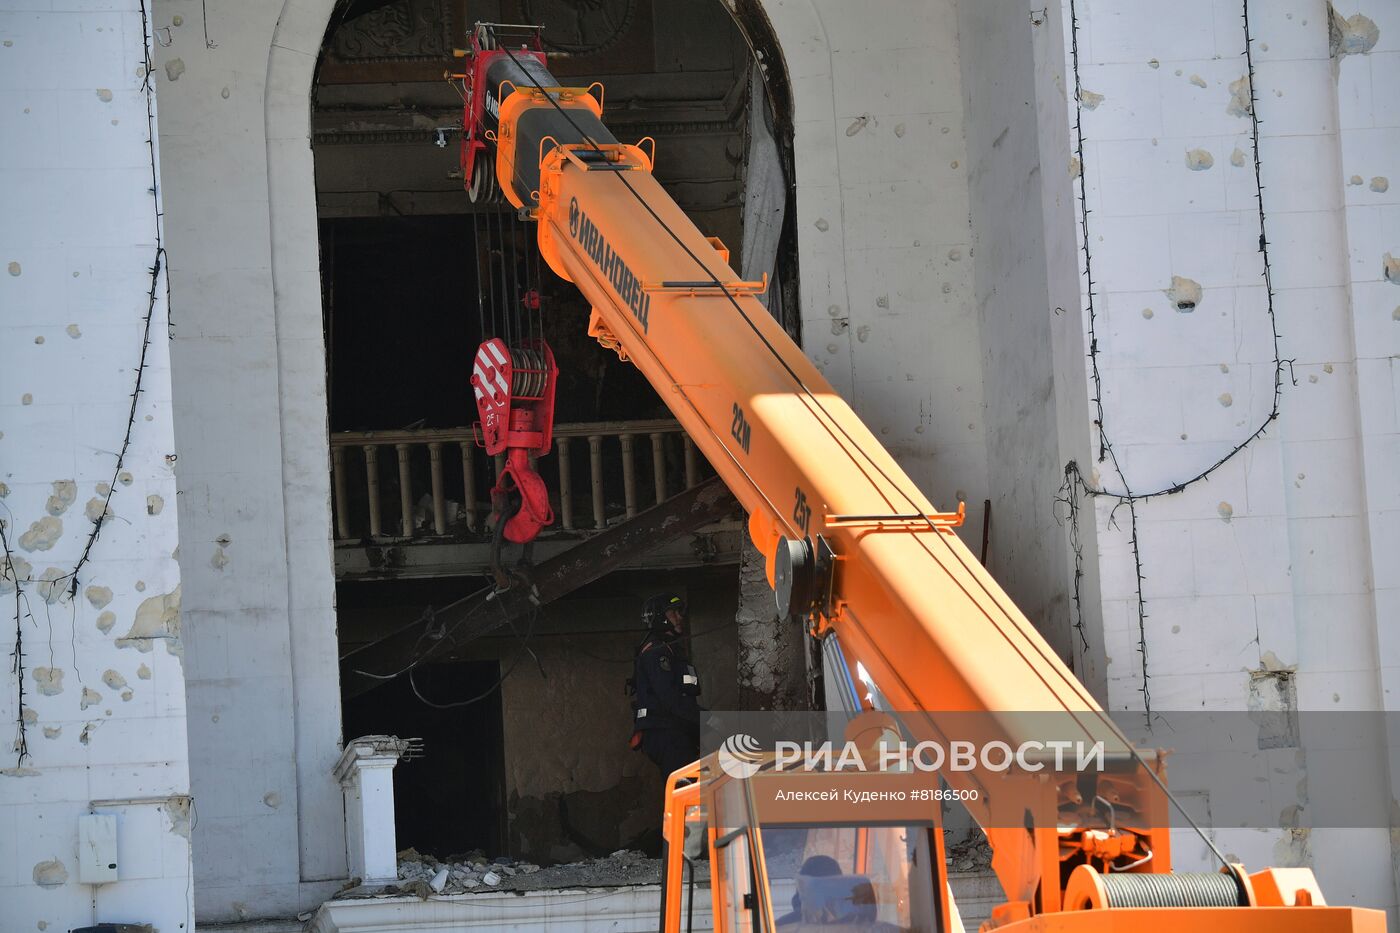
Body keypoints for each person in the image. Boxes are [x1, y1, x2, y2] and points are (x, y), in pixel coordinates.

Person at [628, 593, 701, 777]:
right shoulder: (656, 652)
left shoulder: (672, 650)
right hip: (666, 733)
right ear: (660, 617)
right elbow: (670, 699)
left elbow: (687, 694)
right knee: (685, 788)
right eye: (673, 613)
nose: (679, 617)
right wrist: (710, 721)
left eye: (679, 613)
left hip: (676, 730)